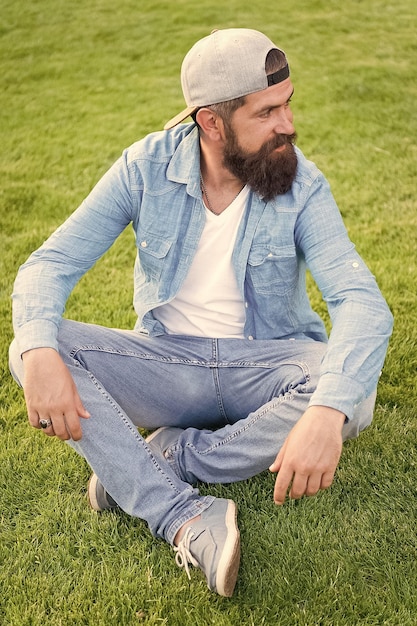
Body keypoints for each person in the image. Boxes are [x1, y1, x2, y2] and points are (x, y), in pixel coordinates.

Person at [9, 28, 393, 597]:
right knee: (35, 345)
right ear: (211, 122)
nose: (287, 124)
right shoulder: (144, 167)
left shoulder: (302, 184)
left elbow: (360, 301)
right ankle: (182, 516)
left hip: (262, 367)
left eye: (287, 104)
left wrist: (325, 411)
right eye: (267, 112)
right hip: (167, 363)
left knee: (349, 397)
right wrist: (39, 349)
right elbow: (52, 262)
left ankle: (168, 457)